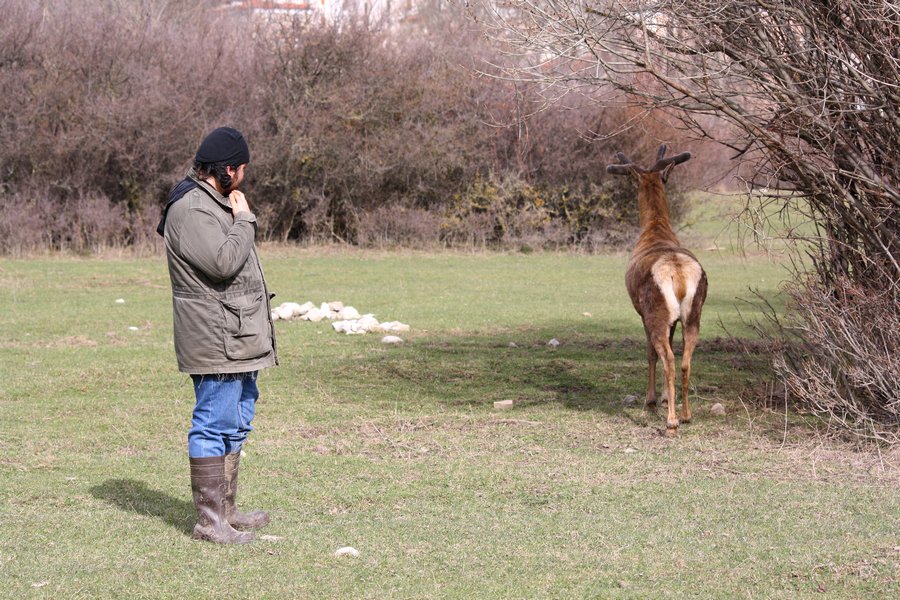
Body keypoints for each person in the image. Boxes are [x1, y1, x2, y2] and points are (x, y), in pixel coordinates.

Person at [158, 126, 278, 544]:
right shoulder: (191, 208)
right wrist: (245, 218)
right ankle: (210, 522)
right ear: (227, 170)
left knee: (238, 419)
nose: (244, 176)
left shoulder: (212, 201)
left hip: (236, 332)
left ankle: (226, 510)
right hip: (216, 336)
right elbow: (224, 262)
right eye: (242, 168)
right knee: (214, 421)